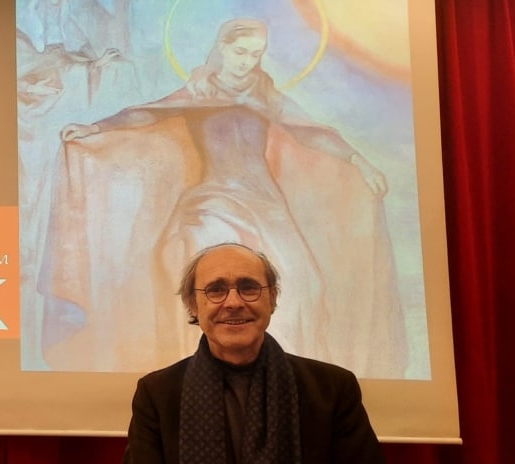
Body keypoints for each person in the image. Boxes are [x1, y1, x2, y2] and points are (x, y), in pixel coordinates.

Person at [36, 18, 406, 377]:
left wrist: (358, 161)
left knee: (306, 282)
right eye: (240, 52)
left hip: (267, 204)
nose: (247, 61)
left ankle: (282, 377)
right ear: (222, 49)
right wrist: (94, 128)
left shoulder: (264, 94)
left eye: (255, 54)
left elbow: (312, 132)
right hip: (212, 198)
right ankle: (199, 369)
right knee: (194, 260)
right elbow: (145, 115)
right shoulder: (199, 91)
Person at [123, 242, 385, 464]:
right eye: (216, 290)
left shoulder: (333, 389)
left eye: (248, 287)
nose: (233, 302)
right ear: (193, 304)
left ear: (272, 298)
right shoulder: (156, 394)